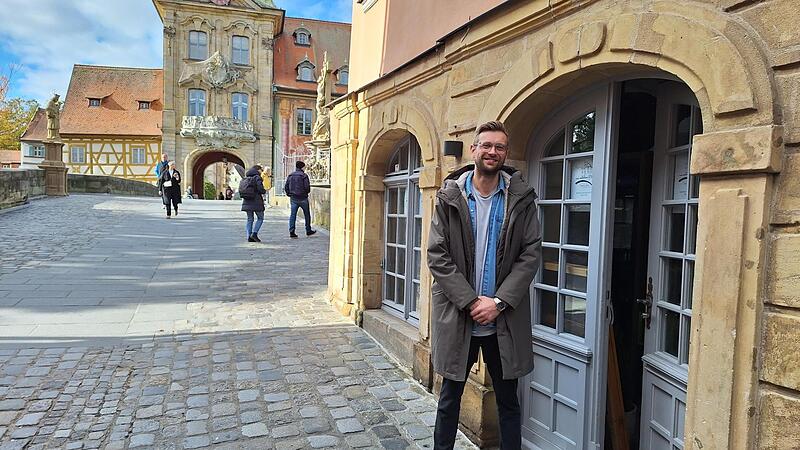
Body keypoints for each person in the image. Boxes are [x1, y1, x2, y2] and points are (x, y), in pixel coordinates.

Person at [427, 121, 541, 450]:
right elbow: (437, 255)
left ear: (506, 154)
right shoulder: (449, 197)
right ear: (474, 150)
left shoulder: (521, 198)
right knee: (449, 401)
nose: (493, 152)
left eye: (500, 147)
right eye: (486, 145)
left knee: (508, 402)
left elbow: (530, 255)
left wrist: (498, 302)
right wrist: (471, 302)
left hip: (503, 318)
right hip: (458, 316)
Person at [284, 161, 316, 238]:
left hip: (293, 198)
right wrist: (306, 193)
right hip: (303, 198)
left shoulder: (291, 175)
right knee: (307, 214)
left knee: (293, 215)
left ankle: (292, 231)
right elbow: (307, 187)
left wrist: (289, 194)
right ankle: (308, 230)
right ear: (302, 167)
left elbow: (286, 186)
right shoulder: (304, 175)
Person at [241, 165, 267, 242]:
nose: (261, 172)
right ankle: (254, 234)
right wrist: (264, 190)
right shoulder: (257, 178)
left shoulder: (245, 179)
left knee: (250, 219)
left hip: (246, 201)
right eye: (261, 170)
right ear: (258, 170)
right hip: (256, 201)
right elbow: (261, 189)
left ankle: (249, 236)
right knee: (260, 218)